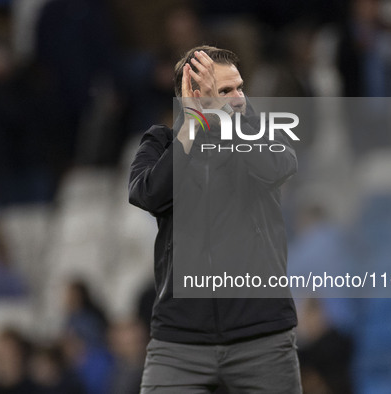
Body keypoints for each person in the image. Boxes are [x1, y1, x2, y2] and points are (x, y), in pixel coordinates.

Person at [129, 45, 301, 393]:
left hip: (262, 337)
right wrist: (194, 123)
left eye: (238, 87)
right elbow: (148, 194)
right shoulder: (160, 142)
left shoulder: (261, 131)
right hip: (179, 342)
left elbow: (278, 167)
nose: (236, 98)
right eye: (223, 91)